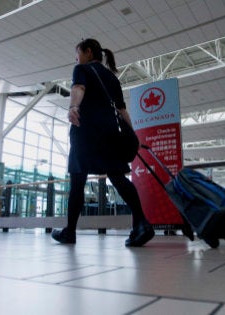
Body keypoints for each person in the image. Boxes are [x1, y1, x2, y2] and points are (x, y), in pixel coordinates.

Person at [52, 38, 154, 247]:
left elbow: (79, 87)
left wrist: (73, 107)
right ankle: (142, 223)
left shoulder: (82, 69)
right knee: (118, 177)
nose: (76, 58)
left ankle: (70, 232)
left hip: (86, 131)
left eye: (78, 53)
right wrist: (133, 135)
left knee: (78, 181)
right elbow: (122, 110)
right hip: (110, 133)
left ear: (88, 52)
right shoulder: (112, 77)